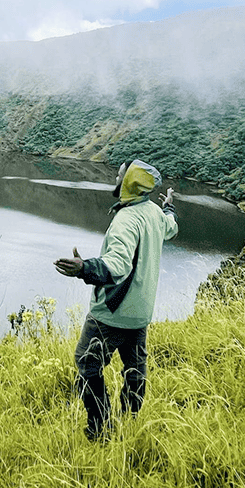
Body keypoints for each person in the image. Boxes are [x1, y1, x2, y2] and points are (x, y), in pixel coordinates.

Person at [54, 158, 178, 440]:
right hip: (140, 313)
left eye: (120, 174)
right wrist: (169, 203)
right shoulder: (154, 213)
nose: (116, 176)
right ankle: (132, 421)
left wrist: (84, 268)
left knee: (87, 363)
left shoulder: (126, 220)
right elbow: (171, 226)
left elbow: (118, 265)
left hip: (111, 312)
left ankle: (100, 427)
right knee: (135, 368)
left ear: (128, 183)